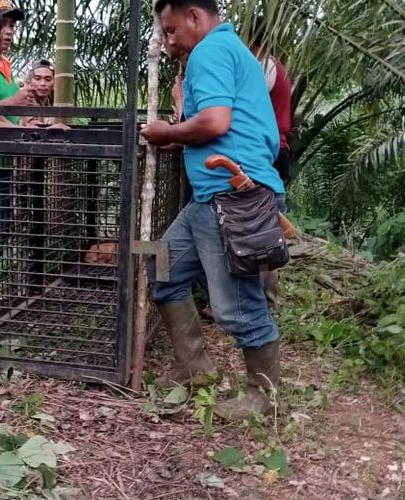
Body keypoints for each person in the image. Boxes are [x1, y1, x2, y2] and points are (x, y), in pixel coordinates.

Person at [141, 0, 285, 420]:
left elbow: (217, 122)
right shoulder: (231, 49)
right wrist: (178, 138)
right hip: (214, 195)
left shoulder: (209, 50)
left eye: (170, 31)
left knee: (237, 306)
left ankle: (263, 398)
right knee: (163, 267)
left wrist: (166, 130)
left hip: (231, 196)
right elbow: (226, 126)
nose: (169, 42)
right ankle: (194, 369)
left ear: (194, 17)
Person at [249, 18, 294, 314]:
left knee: (260, 228)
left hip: (270, 150)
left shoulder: (262, 67)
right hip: (276, 149)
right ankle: (265, 303)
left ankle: (264, 303)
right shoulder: (274, 66)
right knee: (264, 228)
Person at [0, 0, 34, 123]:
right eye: (2, 24)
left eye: (12, 25)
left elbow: (11, 115)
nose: (8, 31)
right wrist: (14, 101)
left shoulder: (4, 65)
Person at [20, 59, 55, 127]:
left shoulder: (48, 103)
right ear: (30, 80)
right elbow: (31, 124)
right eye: (37, 79)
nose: (43, 84)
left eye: (48, 79)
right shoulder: (24, 98)